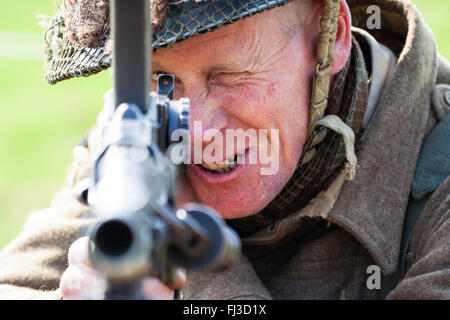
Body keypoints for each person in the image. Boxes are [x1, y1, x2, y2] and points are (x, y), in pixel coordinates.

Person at [0, 0, 449, 300]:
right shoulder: (136, 137)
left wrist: (190, 269)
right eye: (162, 81)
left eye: (229, 76)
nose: (194, 131)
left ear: (331, 39)